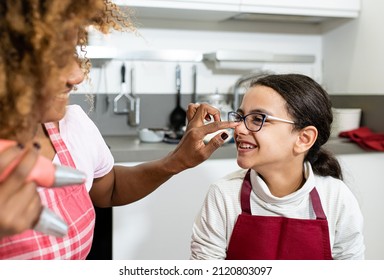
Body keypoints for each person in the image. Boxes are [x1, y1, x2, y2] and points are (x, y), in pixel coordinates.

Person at [0, 0, 237, 259]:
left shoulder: (72, 125)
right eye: (54, 58)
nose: (77, 75)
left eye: (72, 52)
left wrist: (177, 160)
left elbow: (110, 188)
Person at [190, 73, 365, 260]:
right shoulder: (224, 195)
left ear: (303, 139)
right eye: (241, 117)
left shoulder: (336, 197)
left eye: (258, 119)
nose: (239, 129)